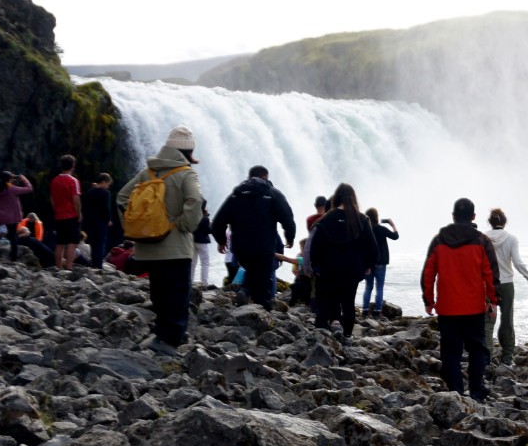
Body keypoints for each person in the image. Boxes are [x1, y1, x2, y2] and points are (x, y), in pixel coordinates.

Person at [116, 125, 205, 354]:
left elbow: (122, 198)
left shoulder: (149, 172)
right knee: (177, 293)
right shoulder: (186, 173)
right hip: (175, 247)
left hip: (147, 247)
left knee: (159, 290)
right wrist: (185, 225)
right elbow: (195, 200)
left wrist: (134, 226)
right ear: (188, 151)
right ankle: (169, 340)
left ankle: (159, 333)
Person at [420, 198, 499, 401]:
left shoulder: (439, 240)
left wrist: (428, 300)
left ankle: (456, 390)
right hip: (473, 307)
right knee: (477, 349)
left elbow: (428, 272)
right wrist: (493, 301)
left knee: (451, 350)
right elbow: (490, 273)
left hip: (447, 307)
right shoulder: (482, 241)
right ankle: (476, 390)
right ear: (473, 217)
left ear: (453, 216)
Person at [210, 165, 297, 310]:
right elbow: (287, 217)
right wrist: (290, 237)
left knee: (251, 270)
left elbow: (218, 221)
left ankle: (245, 292)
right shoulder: (272, 193)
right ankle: (262, 313)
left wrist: (221, 241)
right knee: (263, 280)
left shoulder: (236, 195)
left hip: (241, 248)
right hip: (264, 247)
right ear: (265, 177)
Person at [307, 183, 374, 337]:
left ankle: (321, 335)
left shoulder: (325, 219)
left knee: (325, 302)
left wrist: (316, 266)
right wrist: (368, 265)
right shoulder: (362, 219)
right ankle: (347, 336)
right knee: (348, 304)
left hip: (328, 269)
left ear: (336, 198)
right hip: (352, 270)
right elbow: (371, 246)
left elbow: (316, 246)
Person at [483, 208, 528, 360]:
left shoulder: (483, 238)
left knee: (487, 321)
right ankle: (507, 357)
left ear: (490, 222)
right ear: (505, 222)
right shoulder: (511, 239)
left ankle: (487, 356)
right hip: (506, 283)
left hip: (488, 284)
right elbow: (517, 262)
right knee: (507, 319)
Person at [49, 154, 83, 268]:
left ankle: (58, 267)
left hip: (59, 216)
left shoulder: (54, 180)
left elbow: (52, 199)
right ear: (73, 166)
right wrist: (79, 214)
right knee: (72, 242)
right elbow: (76, 199)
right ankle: (69, 266)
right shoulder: (73, 181)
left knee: (60, 243)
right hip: (71, 215)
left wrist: (56, 211)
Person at [364, 208, 398, 317]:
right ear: (376, 217)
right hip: (381, 261)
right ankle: (377, 311)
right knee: (379, 287)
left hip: (368, 262)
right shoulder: (381, 229)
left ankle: (365, 310)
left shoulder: (366, 230)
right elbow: (395, 236)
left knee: (368, 286)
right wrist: (392, 225)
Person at [0, 170, 33, 243]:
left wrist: (9, 177)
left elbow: (4, 183)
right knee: (13, 236)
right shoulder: (12, 189)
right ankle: (13, 254)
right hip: (10, 217)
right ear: (9, 179)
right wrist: (24, 180)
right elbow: (29, 189)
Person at [82, 173, 116, 268]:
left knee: (93, 243)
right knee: (100, 243)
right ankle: (98, 265)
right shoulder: (105, 193)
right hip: (101, 222)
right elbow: (106, 208)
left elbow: (86, 207)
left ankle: (94, 263)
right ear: (104, 182)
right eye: (108, 184)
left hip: (90, 221)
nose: (108, 186)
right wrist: (108, 219)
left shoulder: (89, 192)